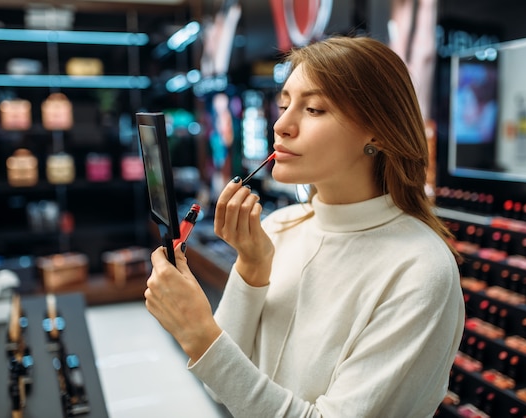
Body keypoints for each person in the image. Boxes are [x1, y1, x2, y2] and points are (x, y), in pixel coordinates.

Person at [144, 35, 465, 418]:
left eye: (313, 109)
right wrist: (252, 267)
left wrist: (199, 332)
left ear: (377, 131)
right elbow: (222, 385)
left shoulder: (420, 270)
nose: (281, 124)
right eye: (284, 105)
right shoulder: (278, 228)